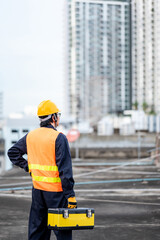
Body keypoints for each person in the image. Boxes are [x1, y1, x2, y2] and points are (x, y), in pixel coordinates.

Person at [8, 100, 77, 240]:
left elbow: (13, 152)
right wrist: (70, 196)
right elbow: (65, 170)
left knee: (38, 231)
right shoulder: (59, 138)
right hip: (57, 194)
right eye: (58, 115)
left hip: (38, 191)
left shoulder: (31, 136)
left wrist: (29, 167)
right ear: (53, 117)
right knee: (62, 231)